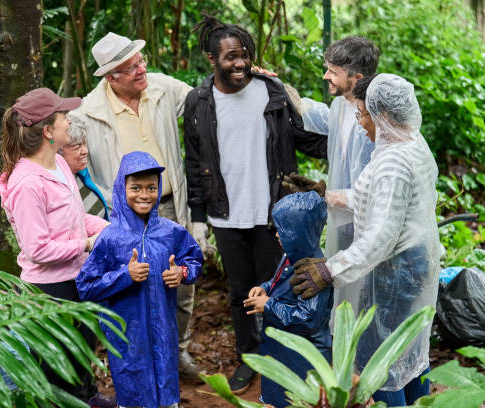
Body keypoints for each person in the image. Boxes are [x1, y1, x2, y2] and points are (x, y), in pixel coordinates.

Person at [184, 14, 327, 394]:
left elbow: (298, 136)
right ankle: (250, 357)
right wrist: (199, 220)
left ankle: (279, 360)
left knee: (276, 290)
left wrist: (346, 145)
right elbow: (194, 164)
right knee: (240, 292)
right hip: (226, 215)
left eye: (244, 54)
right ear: (211, 59)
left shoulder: (269, 91)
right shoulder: (198, 101)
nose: (240, 63)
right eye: (231, 57)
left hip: (271, 213)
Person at [288, 74, 440, 406]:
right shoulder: (412, 143)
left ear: (383, 116)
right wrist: (326, 192)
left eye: (363, 115)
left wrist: (330, 270)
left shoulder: (392, 163)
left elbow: (379, 239)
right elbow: (377, 199)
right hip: (416, 263)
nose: (360, 124)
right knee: (410, 350)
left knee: (381, 362)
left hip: (395, 271)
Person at [68, 32, 212, 381]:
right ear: (110, 77)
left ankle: (177, 353)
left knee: (178, 282)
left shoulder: (162, 88)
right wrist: (101, 220)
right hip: (124, 217)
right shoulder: (89, 112)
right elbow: (74, 163)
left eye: (141, 61)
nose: (141, 69)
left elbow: (204, 100)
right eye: (130, 67)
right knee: (133, 287)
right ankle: (138, 362)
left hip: (167, 205)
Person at [0, 88, 113, 407]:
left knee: (82, 349)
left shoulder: (59, 163)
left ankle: (89, 396)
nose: (69, 120)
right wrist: (86, 243)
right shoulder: (27, 184)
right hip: (50, 290)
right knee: (59, 367)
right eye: (63, 117)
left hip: (78, 278)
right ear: (48, 131)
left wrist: (108, 229)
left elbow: (74, 216)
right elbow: (37, 249)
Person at [76, 151, 203, 408]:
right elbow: (85, 286)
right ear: (122, 189)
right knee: (134, 395)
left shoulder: (171, 233)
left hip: (164, 335)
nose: (144, 194)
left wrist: (182, 273)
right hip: (127, 339)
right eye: (135, 188)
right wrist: (125, 275)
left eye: (151, 188)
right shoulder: (110, 238)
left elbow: (195, 261)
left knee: (166, 394)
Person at [292, 36, 379, 323]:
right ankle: (346, 360)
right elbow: (319, 116)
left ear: (357, 77)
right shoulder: (341, 106)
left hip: (373, 225)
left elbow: (377, 191)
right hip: (343, 218)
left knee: (370, 298)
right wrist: (284, 90)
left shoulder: (376, 117)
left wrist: (327, 195)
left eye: (333, 71)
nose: (326, 75)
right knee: (346, 298)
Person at [244, 191, 332, 408]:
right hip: (280, 348)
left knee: (297, 399)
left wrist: (269, 306)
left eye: (283, 230)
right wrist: (264, 288)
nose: (276, 234)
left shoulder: (314, 273)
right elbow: (278, 283)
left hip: (303, 356)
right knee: (276, 391)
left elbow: (307, 319)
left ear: (300, 234)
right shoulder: (289, 257)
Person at [59, 117, 109, 220]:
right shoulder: (58, 185)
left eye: (84, 144)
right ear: (58, 151)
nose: (85, 151)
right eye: (77, 147)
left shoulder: (81, 172)